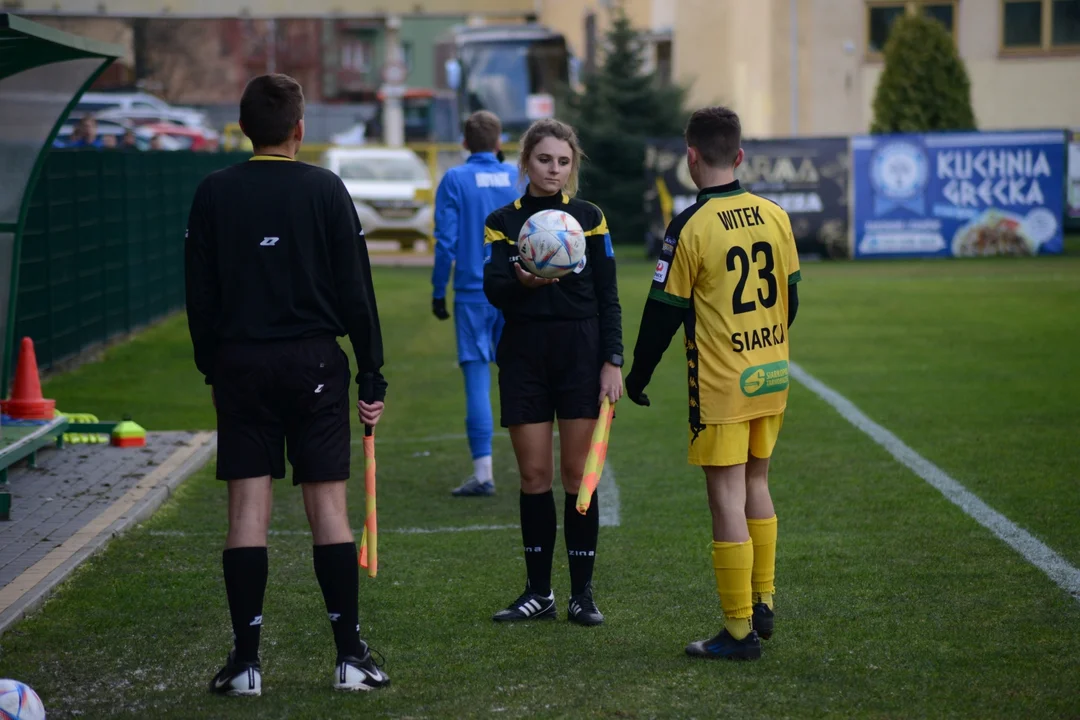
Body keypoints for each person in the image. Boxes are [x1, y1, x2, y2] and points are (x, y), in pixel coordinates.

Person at [184, 73, 391, 696]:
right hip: (314, 366)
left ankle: (245, 664)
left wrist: (212, 366)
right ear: (299, 130)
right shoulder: (326, 189)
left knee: (248, 508)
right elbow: (357, 291)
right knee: (326, 505)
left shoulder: (213, 192)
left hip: (241, 363)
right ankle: (349, 657)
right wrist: (372, 373)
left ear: (243, 127)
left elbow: (200, 295)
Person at [624, 106, 800, 660]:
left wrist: (639, 373)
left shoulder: (689, 226)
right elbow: (791, 298)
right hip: (769, 374)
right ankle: (763, 599)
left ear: (691, 158)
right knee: (757, 483)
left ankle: (740, 630)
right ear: (740, 155)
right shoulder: (775, 213)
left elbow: (662, 310)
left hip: (722, 384)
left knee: (724, 495)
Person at [482, 118, 623, 626]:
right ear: (525, 162)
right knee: (535, 475)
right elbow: (494, 289)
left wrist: (613, 360)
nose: (554, 170)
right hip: (524, 355)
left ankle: (582, 595)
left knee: (577, 478)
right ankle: (538, 592)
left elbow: (608, 295)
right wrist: (525, 283)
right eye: (545, 160)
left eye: (564, 161)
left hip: (581, 354)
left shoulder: (589, 218)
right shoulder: (503, 220)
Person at [431, 110, 520, 497]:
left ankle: (484, 474)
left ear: (464, 143)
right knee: (521, 377)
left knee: (477, 380)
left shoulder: (454, 179)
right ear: (499, 142)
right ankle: (535, 465)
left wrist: (438, 290)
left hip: (472, 293)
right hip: (516, 288)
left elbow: (445, 242)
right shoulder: (517, 175)